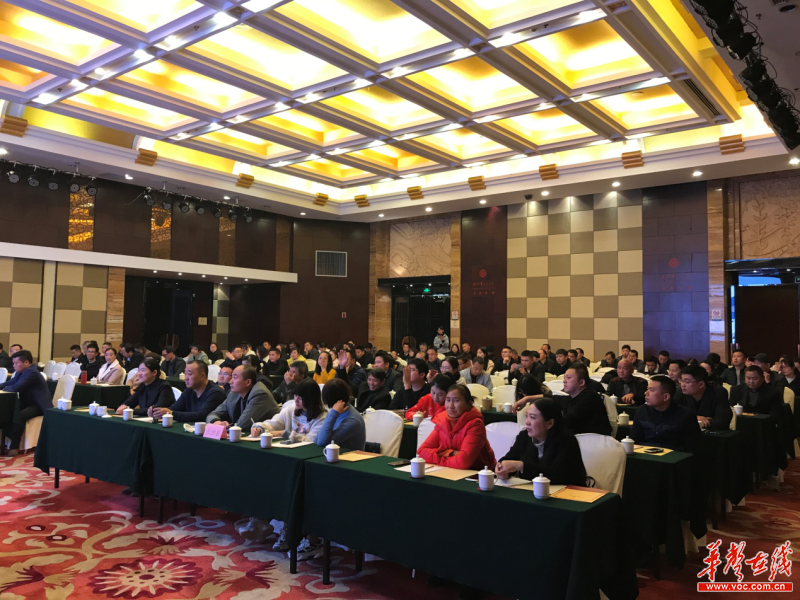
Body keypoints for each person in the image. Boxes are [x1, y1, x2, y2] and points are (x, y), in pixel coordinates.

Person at [496, 398, 587, 485]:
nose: (527, 422)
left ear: (550, 423)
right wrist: (502, 469)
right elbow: (509, 458)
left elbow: (558, 474)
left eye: (532, 417)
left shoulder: (567, 441)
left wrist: (521, 466)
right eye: (527, 416)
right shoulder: (524, 436)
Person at [417, 384, 496, 470]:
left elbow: (464, 461)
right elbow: (421, 451)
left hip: (477, 473)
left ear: (469, 404)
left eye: (456, 401)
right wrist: (451, 453)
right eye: (448, 400)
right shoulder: (442, 421)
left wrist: (439, 457)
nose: (450, 406)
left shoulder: (475, 424)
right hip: (450, 471)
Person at [631, 375, 701, 453]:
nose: (646, 393)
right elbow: (634, 441)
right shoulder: (642, 411)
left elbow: (691, 448)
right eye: (647, 389)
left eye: (652, 390)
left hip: (674, 457)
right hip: (645, 455)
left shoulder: (686, 415)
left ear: (666, 397)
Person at [0, 350, 51, 456]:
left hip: (38, 405)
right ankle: (4, 441)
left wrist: (4, 388)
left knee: (20, 416)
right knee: (8, 410)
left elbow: (15, 387)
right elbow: (10, 382)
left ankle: (14, 446)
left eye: (16, 363)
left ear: (26, 362)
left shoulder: (32, 373)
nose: (13, 366)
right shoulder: (21, 371)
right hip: (27, 402)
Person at [206, 365, 280, 429]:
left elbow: (242, 425)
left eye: (235, 377)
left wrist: (226, 425)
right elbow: (212, 415)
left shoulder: (260, 394)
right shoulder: (233, 393)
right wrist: (216, 422)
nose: (230, 381)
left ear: (248, 382)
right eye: (232, 377)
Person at [154, 361, 226, 423]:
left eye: (189, 374)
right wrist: (158, 412)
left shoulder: (216, 393)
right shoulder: (189, 390)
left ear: (202, 375)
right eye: (185, 374)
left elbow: (202, 416)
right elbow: (174, 408)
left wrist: (171, 413)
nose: (186, 378)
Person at [558, 365, 612, 435]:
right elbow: (556, 399)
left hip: (595, 440)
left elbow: (570, 420)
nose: (564, 381)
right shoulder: (572, 397)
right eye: (564, 378)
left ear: (581, 382)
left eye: (568, 378)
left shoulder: (590, 397)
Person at [677, 365, 732, 430]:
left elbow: (722, 422)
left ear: (701, 384)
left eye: (687, 382)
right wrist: (695, 418)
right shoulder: (679, 392)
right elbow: (673, 416)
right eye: (681, 381)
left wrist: (689, 419)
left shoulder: (718, 392)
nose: (682, 385)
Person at [316, 378, 367, 451]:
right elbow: (317, 439)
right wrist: (333, 412)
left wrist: (333, 413)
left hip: (349, 457)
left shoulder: (353, 420)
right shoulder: (334, 412)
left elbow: (322, 442)